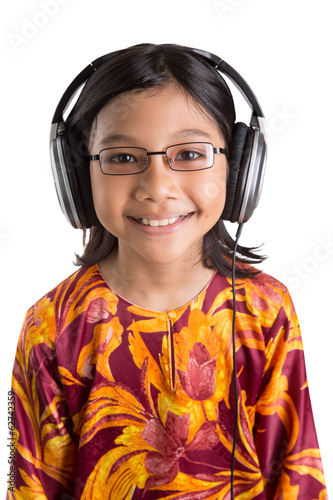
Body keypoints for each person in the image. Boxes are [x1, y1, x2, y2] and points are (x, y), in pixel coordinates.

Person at [7, 43, 327, 500]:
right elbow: (32, 487)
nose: (157, 188)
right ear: (78, 179)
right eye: (121, 158)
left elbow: (298, 476)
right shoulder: (53, 326)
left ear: (239, 169)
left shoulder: (265, 311)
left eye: (191, 154)